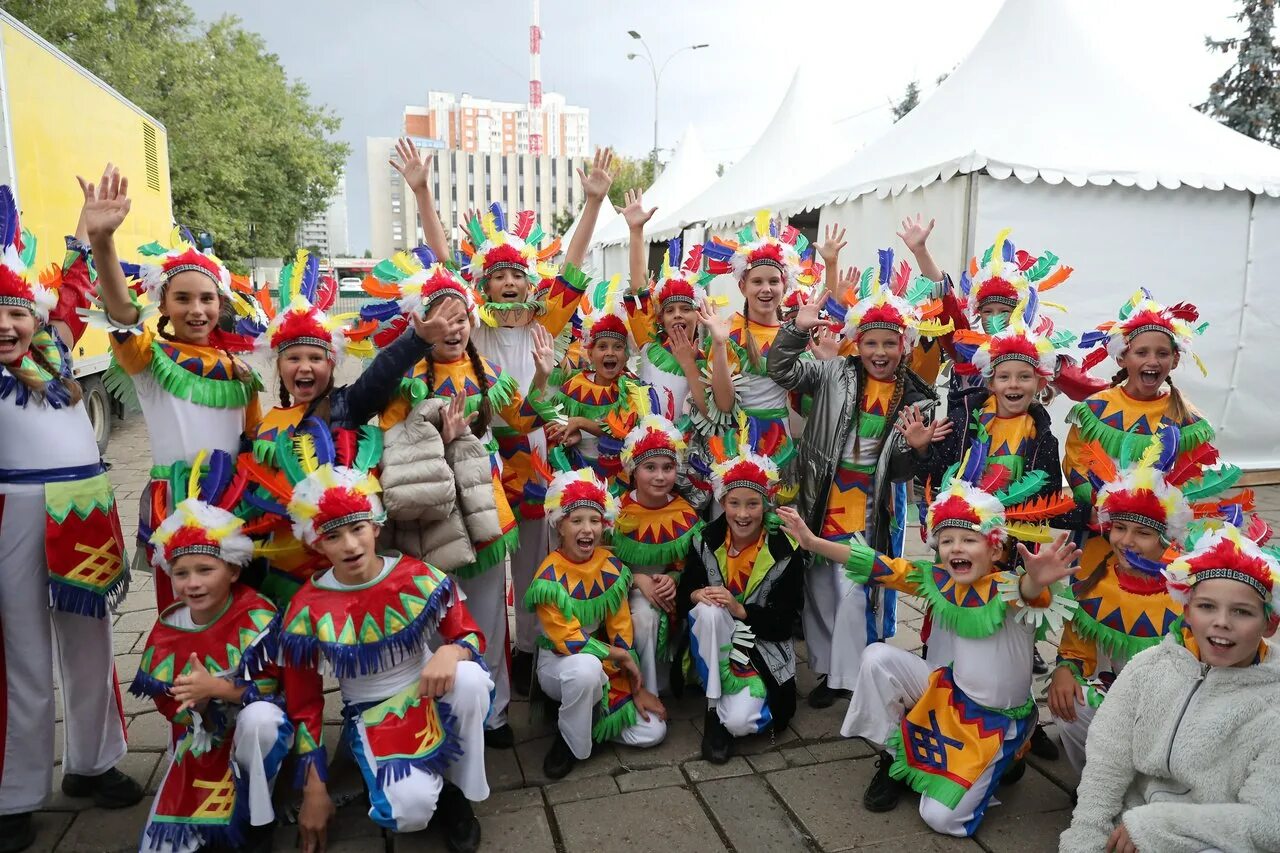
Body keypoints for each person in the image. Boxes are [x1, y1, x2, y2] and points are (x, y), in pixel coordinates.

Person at [396, 140, 614, 696]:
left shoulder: (548, 318)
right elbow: (443, 266)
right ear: (483, 286)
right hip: (483, 463)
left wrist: (592, 203)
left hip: (536, 459)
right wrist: (422, 191)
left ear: (529, 281)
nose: (509, 282)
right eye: (497, 277)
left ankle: (537, 664)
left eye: (517, 273)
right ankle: (489, 683)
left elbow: (572, 266)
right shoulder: (474, 326)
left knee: (541, 568)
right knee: (487, 580)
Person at [779, 445, 1078, 837]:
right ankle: (895, 756)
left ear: (995, 547)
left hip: (995, 723)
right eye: (947, 540)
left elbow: (1030, 590)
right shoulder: (939, 580)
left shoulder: (1009, 588)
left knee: (942, 819)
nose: (956, 548)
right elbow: (879, 565)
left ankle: (1007, 756)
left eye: (968, 540)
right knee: (876, 658)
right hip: (949, 695)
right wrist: (814, 543)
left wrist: (1038, 578)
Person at [366, 251, 558, 749]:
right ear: (423, 323)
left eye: (461, 317)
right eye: (442, 318)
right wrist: (436, 434)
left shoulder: (489, 372)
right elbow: (387, 439)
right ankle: (437, 704)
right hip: (428, 509)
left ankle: (492, 714)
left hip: (484, 508)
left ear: (473, 321)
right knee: (432, 607)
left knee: (490, 608)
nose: (453, 327)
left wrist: (541, 377)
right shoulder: (405, 381)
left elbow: (525, 422)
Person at [267, 426, 491, 853]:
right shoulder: (305, 609)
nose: (350, 545)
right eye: (333, 535)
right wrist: (315, 787)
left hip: (430, 689)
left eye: (357, 528)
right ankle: (393, 777)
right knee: (409, 815)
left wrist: (452, 648)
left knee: (472, 681)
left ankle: (458, 795)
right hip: (371, 715)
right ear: (317, 543)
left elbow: (470, 635)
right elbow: (304, 705)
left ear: (376, 524)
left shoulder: (417, 575)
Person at [0, 187, 141, 852]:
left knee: (91, 644)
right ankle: (15, 791)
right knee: (21, 651)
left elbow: (77, 288)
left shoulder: (55, 353)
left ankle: (93, 761)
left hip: (82, 509)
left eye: (16, 309)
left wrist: (89, 225)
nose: (5, 323)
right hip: (14, 515)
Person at [767, 252, 950, 708]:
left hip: (867, 509)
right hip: (820, 498)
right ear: (858, 344)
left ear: (904, 346)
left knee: (852, 592)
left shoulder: (918, 398)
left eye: (890, 344)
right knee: (820, 591)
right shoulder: (834, 372)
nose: (880, 353)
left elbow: (903, 473)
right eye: (871, 344)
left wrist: (921, 446)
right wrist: (795, 328)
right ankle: (829, 670)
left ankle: (848, 678)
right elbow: (781, 369)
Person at [79, 165, 263, 611]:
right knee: (184, 614)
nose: (197, 309)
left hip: (236, 499)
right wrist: (104, 242)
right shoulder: (148, 358)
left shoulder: (239, 370)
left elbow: (254, 441)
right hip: (177, 505)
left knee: (240, 613)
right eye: (183, 299)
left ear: (222, 304)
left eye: (207, 299)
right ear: (162, 304)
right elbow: (121, 312)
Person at [1060, 521, 1280, 853]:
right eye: (1207, 607)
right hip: (1129, 830)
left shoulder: (1273, 705)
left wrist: (1154, 826)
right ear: (1187, 610)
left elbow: (1268, 823)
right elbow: (1108, 761)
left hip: (1210, 837)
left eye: (1242, 611)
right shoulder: (1148, 667)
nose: (1222, 621)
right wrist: (1086, 836)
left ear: (1269, 622)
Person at [237, 248, 430, 604]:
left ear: (332, 364)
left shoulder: (347, 404)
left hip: (341, 565)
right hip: (282, 570)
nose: (305, 367)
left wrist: (417, 340)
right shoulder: (268, 423)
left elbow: (381, 373)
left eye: (315, 357)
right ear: (280, 367)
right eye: (293, 358)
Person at [1049, 425, 1234, 774]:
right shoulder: (1096, 578)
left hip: (1174, 709)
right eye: (1119, 528)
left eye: (1143, 533)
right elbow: (1077, 648)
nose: (1126, 542)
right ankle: (1096, 780)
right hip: (1119, 697)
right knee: (1071, 702)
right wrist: (1064, 668)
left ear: (1167, 539)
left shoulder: (1189, 590)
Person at [132, 451, 291, 853]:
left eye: (206, 570)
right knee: (162, 845)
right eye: (182, 573)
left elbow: (275, 695)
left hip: (256, 733)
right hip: (205, 737)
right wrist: (196, 705)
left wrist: (216, 688)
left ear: (233, 570)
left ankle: (261, 818)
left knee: (261, 721)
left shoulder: (257, 616)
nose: (193, 584)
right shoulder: (169, 627)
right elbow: (170, 705)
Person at [525, 469, 668, 779]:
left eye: (594, 520)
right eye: (576, 521)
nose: (587, 529)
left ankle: (585, 723)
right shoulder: (548, 577)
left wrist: (635, 687)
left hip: (605, 663)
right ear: (560, 526)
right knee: (586, 669)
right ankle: (569, 742)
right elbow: (571, 641)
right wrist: (620, 657)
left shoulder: (611, 566)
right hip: (562, 663)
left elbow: (621, 631)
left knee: (653, 732)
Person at [676, 447, 803, 763]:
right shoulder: (705, 538)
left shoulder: (786, 549)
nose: (742, 514)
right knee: (707, 609)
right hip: (714, 640)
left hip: (762, 648)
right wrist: (696, 595)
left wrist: (741, 609)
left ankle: (727, 714)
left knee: (741, 723)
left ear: (766, 504)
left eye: (752, 504)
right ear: (722, 504)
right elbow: (685, 592)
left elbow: (786, 622)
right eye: (734, 503)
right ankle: (712, 707)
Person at [1064, 289, 1216, 520]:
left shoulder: (1185, 417)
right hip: (1102, 522)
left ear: (1174, 360)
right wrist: (1097, 502)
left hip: (1154, 526)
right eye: (1141, 352)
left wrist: (1162, 507)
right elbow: (1076, 462)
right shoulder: (1095, 409)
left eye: (1162, 353)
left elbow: (1189, 475)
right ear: (1123, 357)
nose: (1152, 361)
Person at [698, 211, 825, 484]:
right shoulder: (726, 329)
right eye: (757, 281)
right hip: (735, 438)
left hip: (778, 440)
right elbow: (724, 403)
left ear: (785, 286)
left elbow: (805, 403)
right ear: (743, 285)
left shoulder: (792, 335)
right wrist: (719, 345)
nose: (765, 289)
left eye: (773, 281)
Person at [618, 189, 735, 428]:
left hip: (685, 458)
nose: (678, 314)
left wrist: (689, 364)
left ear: (699, 315)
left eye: (686, 308)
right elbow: (639, 288)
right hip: (647, 453)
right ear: (660, 319)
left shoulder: (708, 361)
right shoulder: (648, 343)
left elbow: (714, 414)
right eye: (670, 310)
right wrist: (636, 232)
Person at [613, 416, 702, 694]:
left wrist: (674, 578)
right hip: (624, 589)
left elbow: (692, 563)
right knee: (644, 615)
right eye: (650, 467)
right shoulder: (616, 511)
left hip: (670, 590)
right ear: (633, 470)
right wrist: (636, 578)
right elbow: (601, 559)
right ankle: (645, 691)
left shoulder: (685, 512)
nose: (660, 476)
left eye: (668, 467)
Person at [547, 284, 660, 491]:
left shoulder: (633, 388)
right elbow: (555, 425)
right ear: (589, 354)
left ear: (627, 354)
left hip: (621, 480)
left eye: (618, 347)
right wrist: (567, 437)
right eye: (602, 347)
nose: (610, 353)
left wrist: (580, 422)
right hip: (579, 476)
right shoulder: (573, 385)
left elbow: (625, 431)